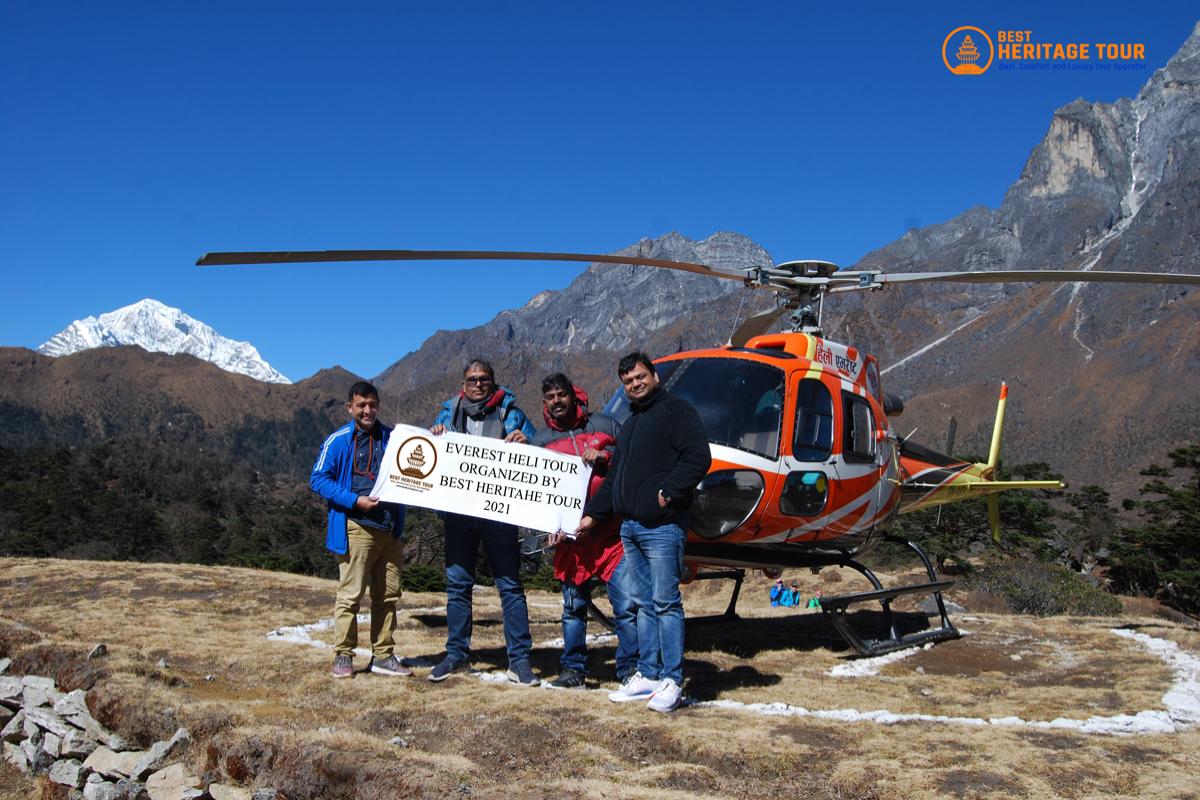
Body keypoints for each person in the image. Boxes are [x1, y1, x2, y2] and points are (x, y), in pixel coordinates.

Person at [576, 351, 711, 713]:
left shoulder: (677, 411)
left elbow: (698, 457)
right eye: (627, 381)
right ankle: (648, 673)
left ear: (653, 375)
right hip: (630, 527)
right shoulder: (632, 423)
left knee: (666, 603)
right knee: (644, 604)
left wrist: (668, 493)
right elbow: (615, 478)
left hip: (663, 526)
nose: (635, 384)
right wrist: (592, 516)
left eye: (639, 377)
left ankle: (672, 679)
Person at [428, 358, 539, 684]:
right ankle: (456, 655)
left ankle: (519, 660)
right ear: (464, 384)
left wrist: (526, 442)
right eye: (472, 379)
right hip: (459, 515)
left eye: (484, 379)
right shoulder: (448, 415)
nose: (478, 384)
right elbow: (432, 456)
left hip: (500, 515)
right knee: (458, 586)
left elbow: (540, 451)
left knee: (510, 587)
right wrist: (434, 435)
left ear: (492, 382)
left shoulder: (511, 413)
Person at [534, 373, 637, 689]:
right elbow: (534, 491)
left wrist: (605, 458)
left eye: (561, 394)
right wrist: (546, 528)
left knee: (627, 607)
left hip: (611, 536)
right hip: (571, 542)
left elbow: (630, 459)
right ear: (545, 403)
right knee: (572, 610)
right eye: (550, 397)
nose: (557, 401)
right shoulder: (541, 442)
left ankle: (631, 670)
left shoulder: (605, 425)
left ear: (573, 395)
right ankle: (573, 670)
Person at [310, 381, 409, 678]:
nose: (368, 410)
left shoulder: (393, 438)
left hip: (390, 529)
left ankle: (383, 655)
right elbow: (318, 479)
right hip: (357, 527)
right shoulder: (338, 441)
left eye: (373, 404)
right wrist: (354, 500)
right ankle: (343, 655)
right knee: (351, 595)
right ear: (349, 407)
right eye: (361, 405)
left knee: (388, 595)